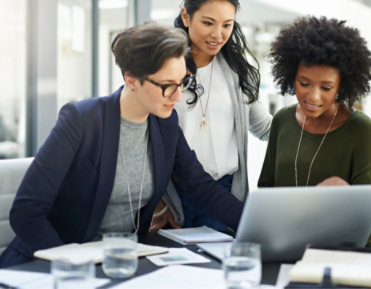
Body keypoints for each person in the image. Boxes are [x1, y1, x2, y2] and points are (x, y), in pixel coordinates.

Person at [0, 22, 243, 268]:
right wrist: (71, 266)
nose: (178, 96)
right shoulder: (82, 120)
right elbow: (26, 212)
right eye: (167, 86)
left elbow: (200, 187)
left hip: (121, 262)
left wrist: (252, 222)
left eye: (182, 83)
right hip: (54, 265)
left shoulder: (165, 124)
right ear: (132, 79)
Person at [151, 0, 271, 233]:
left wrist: (315, 118)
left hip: (224, 194)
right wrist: (158, 200)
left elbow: (265, 127)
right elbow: (144, 137)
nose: (218, 34)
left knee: (220, 270)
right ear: (186, 17)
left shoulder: (239, 72)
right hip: (173, 197)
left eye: (227, 25)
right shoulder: (162, 68)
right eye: (208, 23)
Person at [258, 16, 371, 189]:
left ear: (341, 86)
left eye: (326, 87)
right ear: (292, 77)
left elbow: (367, 211)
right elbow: (265, 188)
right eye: (304, 83)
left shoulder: (361, 130)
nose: (313, 97)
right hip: (281, 217)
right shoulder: (282, 120)